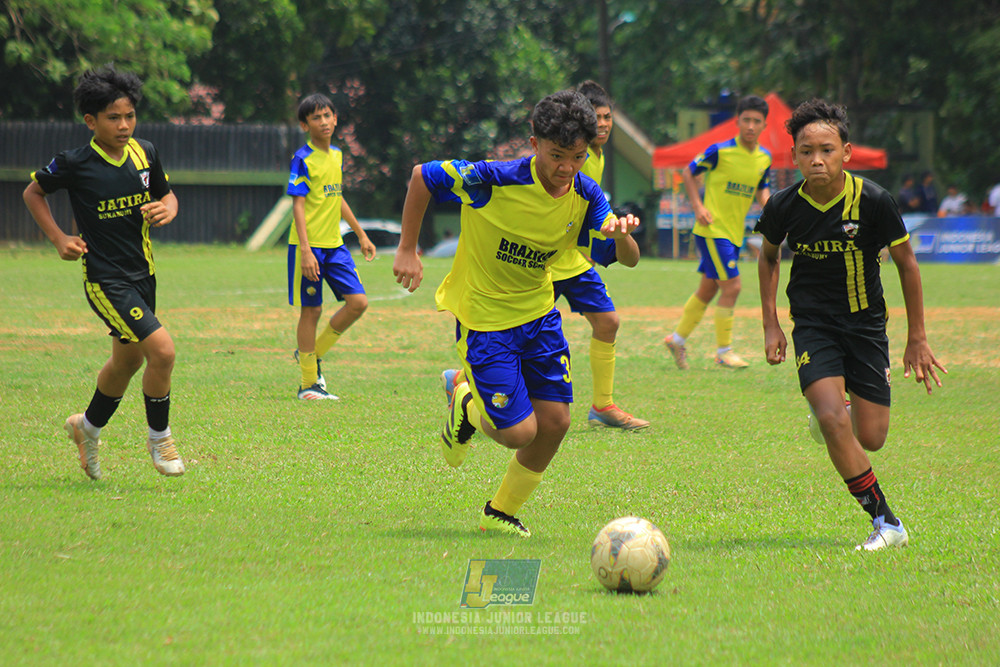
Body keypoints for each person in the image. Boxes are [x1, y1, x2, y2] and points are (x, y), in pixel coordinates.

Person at [392, 90, 641, 537]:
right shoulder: (491, 179)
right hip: (486, 322)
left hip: (540, 318)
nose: (566, 167)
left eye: (578, 156)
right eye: (556, 155)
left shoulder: (586, 192)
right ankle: (465, 403)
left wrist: (621, 235)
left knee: (556, 423)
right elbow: (421, 176)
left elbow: (628, 258)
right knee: (518, 433)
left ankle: (500, 512)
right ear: (534, 143)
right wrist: (407, 248)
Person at [755, 98, 946, 551]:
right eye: (805, 151)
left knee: (872, 437)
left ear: (847, 152)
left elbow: (907, 265)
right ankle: (887, 522)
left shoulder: (875, 201)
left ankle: (836, 416)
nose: (816, 160)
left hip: (865, 327)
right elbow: (767, 258)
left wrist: (916, 337)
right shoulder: (784, 205)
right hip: (813, 325)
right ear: (794, 156)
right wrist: (771, 324)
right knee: (828, 418)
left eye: (826, 149)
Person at [22, 64, 184, 479]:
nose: (124, 125)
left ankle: (86, 428)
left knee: (126, 364)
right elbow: (33, 191)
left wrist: (166, 209)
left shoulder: (145, 153)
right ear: (91, 121)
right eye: (114, 117)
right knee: (162, 351)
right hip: (105, 280)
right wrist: (60, 238)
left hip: (143, 273)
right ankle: (160, 438)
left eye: (130, 116)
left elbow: (167, 194)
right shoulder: (75, 163)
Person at [547, 80, 647, 431]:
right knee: (518, 337)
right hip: (544, 262)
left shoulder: (598, 156)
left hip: (573, 261)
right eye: (596, 117)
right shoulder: (575, 154)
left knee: (608, 322)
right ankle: (464, 382)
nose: (603, 124)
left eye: (607, 117)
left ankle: (603, 406)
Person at [664, 95, 772, 370]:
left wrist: (771, 210)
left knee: (708, 289)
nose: (750, 125)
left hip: (734, 234)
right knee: (733, 286)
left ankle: (676, 340)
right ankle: (724, 351)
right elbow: (688, 172)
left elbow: (762, 187)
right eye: (745, 120)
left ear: (764, 125)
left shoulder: (764, 158)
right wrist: (698, 206)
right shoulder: (719, 151)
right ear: (737, 122)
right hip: (712, 230)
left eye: (756, 121)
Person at [287, 93, 376, 400]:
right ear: (304, 124)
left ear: (335, 119)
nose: (323, 122)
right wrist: (306, 251)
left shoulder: (337, 155)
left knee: (358, 303)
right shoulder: (303, 158)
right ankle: (308, 384)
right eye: (315, 117)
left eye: (327, 115)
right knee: (312, 310)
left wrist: (361, 234)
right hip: (310, 247)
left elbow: (335, 198)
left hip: (336, 246)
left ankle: (312, 353)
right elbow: (298, 206)